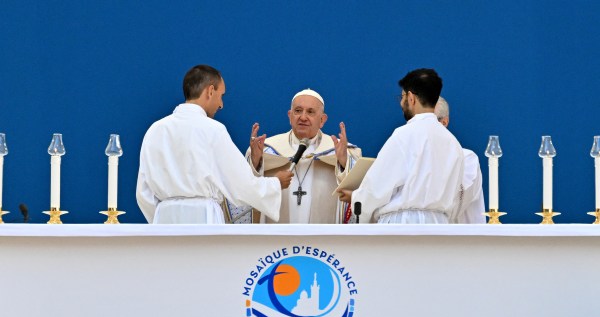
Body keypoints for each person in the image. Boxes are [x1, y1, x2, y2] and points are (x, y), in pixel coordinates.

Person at [136, 65, 293, 224]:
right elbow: (240, 183)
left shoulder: (155, 130)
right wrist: (275, 184)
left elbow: (143, 193)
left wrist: (162, 217)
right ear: (210, 91)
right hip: (203, 218)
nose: (221, 105)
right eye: (221, 95)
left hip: (165, 220)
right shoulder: (213, 129)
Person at [338, 68, 464, 223]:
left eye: (402, 96)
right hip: (440, 225)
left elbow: (378, 187)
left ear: (411, 98)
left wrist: (357, 199)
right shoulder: (453, 143)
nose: (401, 102)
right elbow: (457, 195)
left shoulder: (404, 135)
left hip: (403, 225)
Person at [227, 89, 361, 224]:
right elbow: (245, 188)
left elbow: (358, 193)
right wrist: (255, 162)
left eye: (310, 112)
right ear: (290, 116)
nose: (303, 117)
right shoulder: (266, 149)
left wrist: (344, 162)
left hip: (323, 239)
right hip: (276, 240)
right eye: (298, 111)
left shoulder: (341, 150)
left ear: (322, 120)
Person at [435, 96, 486, 224]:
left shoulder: (467, 159)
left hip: (461, 241)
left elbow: (450, 205)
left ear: (444, 123)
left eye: (429, 122)